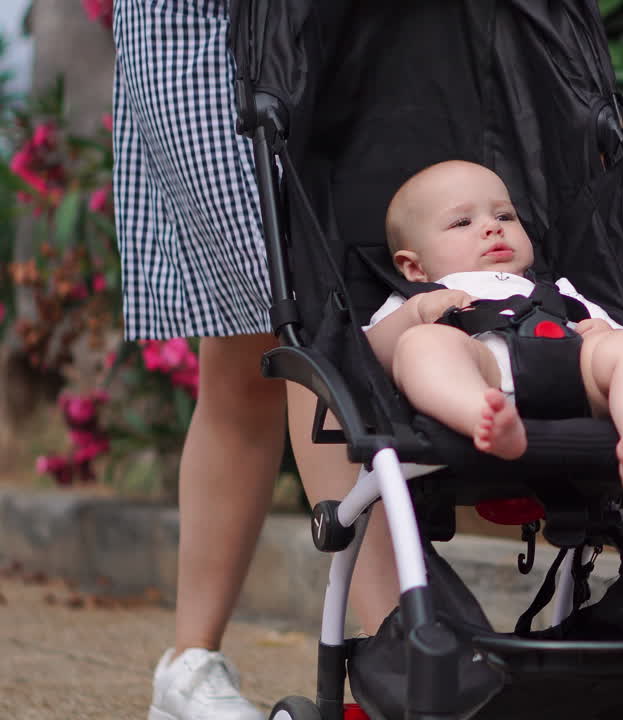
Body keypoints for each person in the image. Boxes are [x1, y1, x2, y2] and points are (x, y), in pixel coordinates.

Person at [112, 1, 400, 718]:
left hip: (331, 30)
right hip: (202, 35)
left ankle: (187, 667)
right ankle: (404, 654)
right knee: (306, 333)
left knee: (249, 364)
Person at [366, 160, 623, 493]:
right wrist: (415, 312)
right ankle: (482, 416)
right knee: (421, 345)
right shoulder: (419, 297)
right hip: (485, 373)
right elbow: (369, 354)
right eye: (462, 222)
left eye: (504, 216)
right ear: (414, 267)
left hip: (577, 372)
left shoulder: (559, 290)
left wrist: (601, 332)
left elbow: (616, 342)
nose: (493, 227)